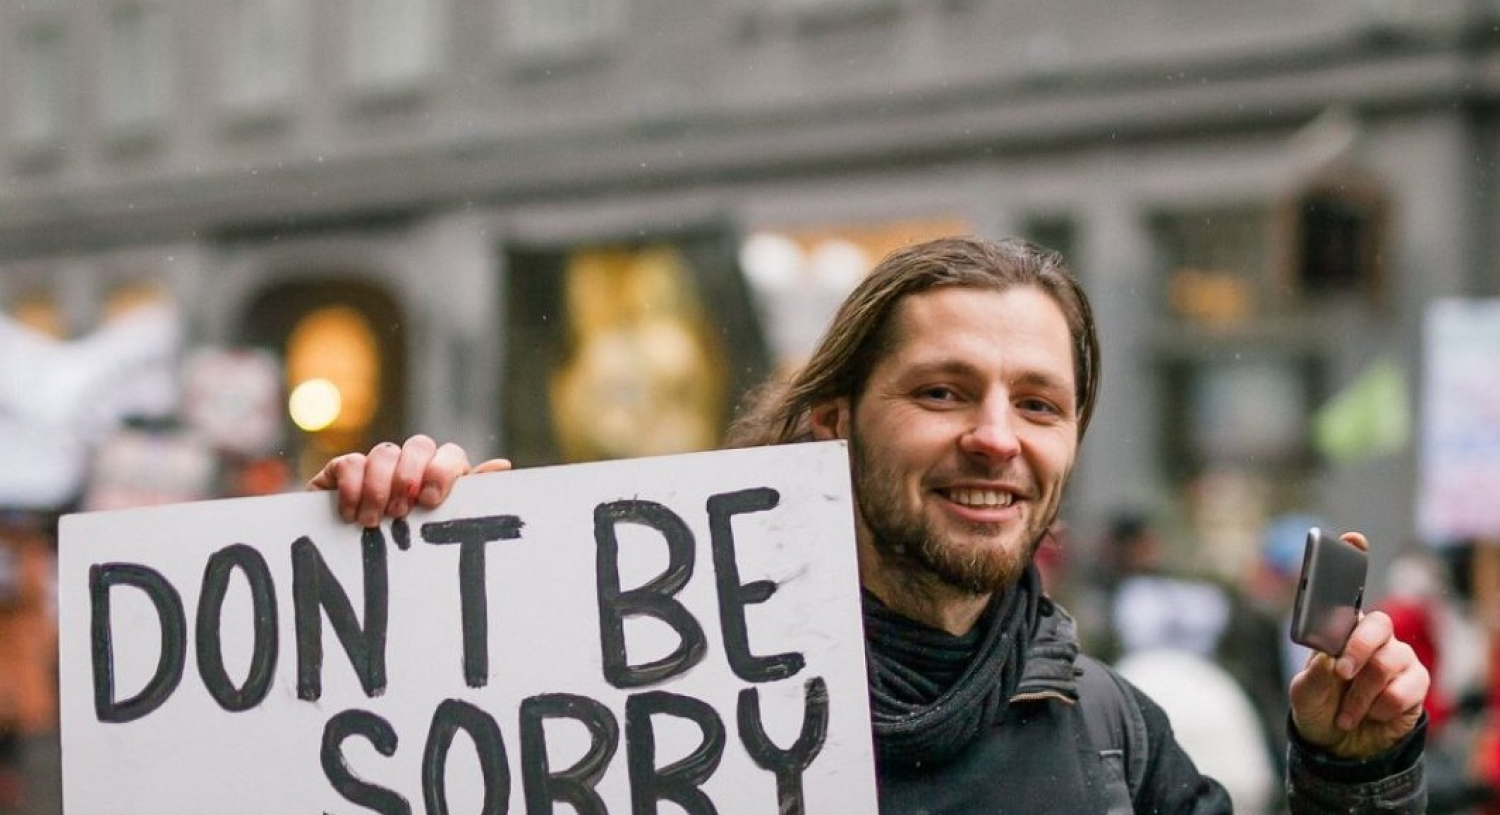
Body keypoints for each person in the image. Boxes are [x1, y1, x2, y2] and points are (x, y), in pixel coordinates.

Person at [310, 236, 1430, 814]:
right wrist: (400, 590)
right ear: (833, 425)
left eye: (1038, 403)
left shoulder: (1110, 741)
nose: (997, 437)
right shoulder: (634, 694)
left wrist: (1352, 773)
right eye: (943, 392)